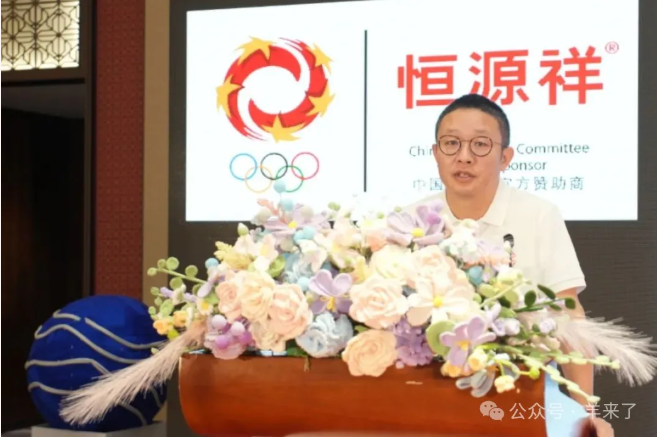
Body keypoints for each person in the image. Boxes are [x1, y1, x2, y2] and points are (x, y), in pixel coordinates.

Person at [404, 93, 613, 437]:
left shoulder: (538, 215)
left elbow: (569, 313)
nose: (464, 156)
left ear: (505, 157)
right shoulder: (412, 220)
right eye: (451, 143)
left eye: (480, 144)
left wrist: (586, 413)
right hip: (429, 386)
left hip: (521, 385)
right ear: (435, 153)